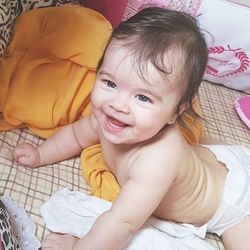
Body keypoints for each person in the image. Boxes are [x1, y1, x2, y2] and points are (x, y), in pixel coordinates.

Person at [12, 7, 250, 250]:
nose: (118, 105)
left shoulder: (157, 159)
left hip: (230, 203)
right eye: (110, 83)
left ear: (176, 111)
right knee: (196, 156)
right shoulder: (106, 116)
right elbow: (75, 135)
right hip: (211, 162)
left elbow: (121, 223)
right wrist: (41, 154)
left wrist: (77, 246)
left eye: (143, 98)